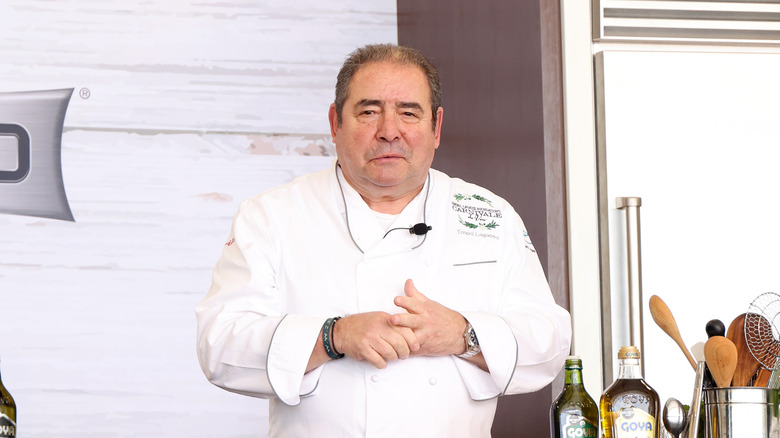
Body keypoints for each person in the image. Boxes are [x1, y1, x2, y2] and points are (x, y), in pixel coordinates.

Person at [196, 43, 572, 437]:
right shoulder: (271, 216)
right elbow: (219, 346)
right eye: (369, 111)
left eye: (409, 113)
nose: (389, 131)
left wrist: (464, 334)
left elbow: (548, 344)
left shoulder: (490, 215)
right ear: (335, 123)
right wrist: (332, 336)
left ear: (436, 127)